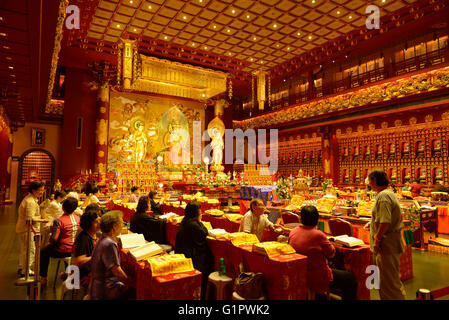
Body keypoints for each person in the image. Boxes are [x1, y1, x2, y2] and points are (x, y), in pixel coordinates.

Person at [288, 206, 357, 300]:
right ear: (317, 219)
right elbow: (331, 254)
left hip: (299, 272)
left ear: (301, 218)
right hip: (316, 274)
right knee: (351, 279)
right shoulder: (318, 234)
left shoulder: (293, 231)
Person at [365, 169, 406, 300]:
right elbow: (382, 217)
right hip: (389, 243)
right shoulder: (388, 194)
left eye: (369, 179)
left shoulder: (383, 196)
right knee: (385, 280)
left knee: (390, 283)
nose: (368, 183)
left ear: (374, 180)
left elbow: (385, 221)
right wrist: (371, 223)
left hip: (386, 245)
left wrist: (377, 239)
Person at [88, 210, 135, 300]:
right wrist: (132, 283)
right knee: (135, 291)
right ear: (114, 226)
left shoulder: (103, 238)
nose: (122, 226)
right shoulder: (109, 243)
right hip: (105, 289)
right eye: (121, 223)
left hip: (98, 285)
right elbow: (117, 271)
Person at [175, 201, 214, 300]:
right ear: (196, 212)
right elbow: (205, 232)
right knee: (210, 260)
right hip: (191, 258)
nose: (201, 213)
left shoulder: (185, 221)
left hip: (182, 254)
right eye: (199, 211)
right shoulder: (194, 224)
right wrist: (199, 221)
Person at [39, 197, 81, 285]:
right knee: (69, 248)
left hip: (63, 251)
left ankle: (43, 277)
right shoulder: (78, 219)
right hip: (75, 250)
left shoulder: (59, 221)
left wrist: (49, 242)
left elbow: (54, 239)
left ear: (62, 208)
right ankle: (67, 273)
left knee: (44, 251)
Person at [16, 181, 48, 278]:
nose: (42, 192)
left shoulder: (30, 199)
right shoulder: (30, 202)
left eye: (43, 190)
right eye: (40, 190)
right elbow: (29, 219)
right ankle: (26, 270)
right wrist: (43, 220)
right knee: (30, 249)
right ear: (33, 190)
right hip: (28, 229)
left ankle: (22, 267)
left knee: (24, 249)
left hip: (24, 229)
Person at [72, 204, 102, 293]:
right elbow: (80, 261)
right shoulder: (84, 238)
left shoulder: (93, 234)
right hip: (83, 274)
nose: (99, 224)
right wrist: (97, 256)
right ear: (88, 224)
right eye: (96, 222)